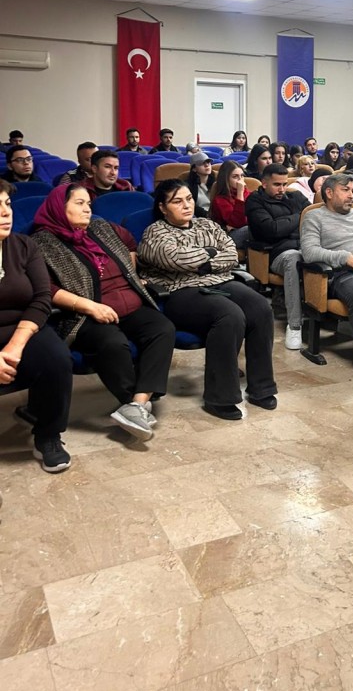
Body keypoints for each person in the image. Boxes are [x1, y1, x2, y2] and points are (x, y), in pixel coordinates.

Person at [32, 184, 175, 440]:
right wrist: (90, 306)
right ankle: (131, 401)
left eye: (88, 203)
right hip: (85, 314)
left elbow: (129, 241)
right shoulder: (42, 243)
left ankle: (138, 404)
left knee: (162, 328)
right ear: (59, 207)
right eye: (79, 203)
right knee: (112, 343)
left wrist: (132, 272)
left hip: (131, 306)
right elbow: (46, 289)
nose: (88, 209)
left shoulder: (102, 228)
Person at [138, 179, 277, 419]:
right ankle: (220, 397)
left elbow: (231, 254)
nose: (186, 205)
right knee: (230, 315)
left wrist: (206, 263)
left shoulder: (207, 224)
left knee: (261, 308)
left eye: (189, 199)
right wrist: (211, 254)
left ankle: (261, 388)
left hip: (220, 281)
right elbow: (174, 259)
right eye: (177, 201)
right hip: (180, 291)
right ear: (162, 207)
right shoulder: (155, 232)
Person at [0, 180, 73, 473]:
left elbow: (42, 297)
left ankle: (48, 435)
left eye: (7, 204)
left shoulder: (23, 245)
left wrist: (14, 347)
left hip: (22, 326)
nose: (5, 212)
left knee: (56, 358)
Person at [300, 172, 353, 371]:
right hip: (346, 273)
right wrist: (345, 257)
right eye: (345, 190)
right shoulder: (314, 217)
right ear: (329, 193)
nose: (352, 194)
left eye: (352, 190)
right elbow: (309, 252)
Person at [246, 163, 309, 350]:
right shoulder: (255, 201)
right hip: (275, 254)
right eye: (277, 185)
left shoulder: (296, 196)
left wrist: (286, 224)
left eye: (284, 184)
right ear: (264, 183)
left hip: (305, 246)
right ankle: (294, 325)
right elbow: (272, 230)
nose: (282, 189)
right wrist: (299, 216)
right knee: (293, 259)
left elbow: (314, 218)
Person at [210, 160, 250, 248]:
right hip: (228, 236)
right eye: (235, 177)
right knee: (251, 230)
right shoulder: (219, 200)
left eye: (242, 176)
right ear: (226, 179)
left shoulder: (247, 193)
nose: (240, 180)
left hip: (246, 229)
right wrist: (240, 193)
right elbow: (239, 223)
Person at [187, 152, 215, 217]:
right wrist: (207, 215)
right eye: (202, 163)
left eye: (208, 162)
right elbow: (191, 205)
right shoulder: (188, 185)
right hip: (199, 217)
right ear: (194, 168)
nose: (207, 165)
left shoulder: (217, 182)